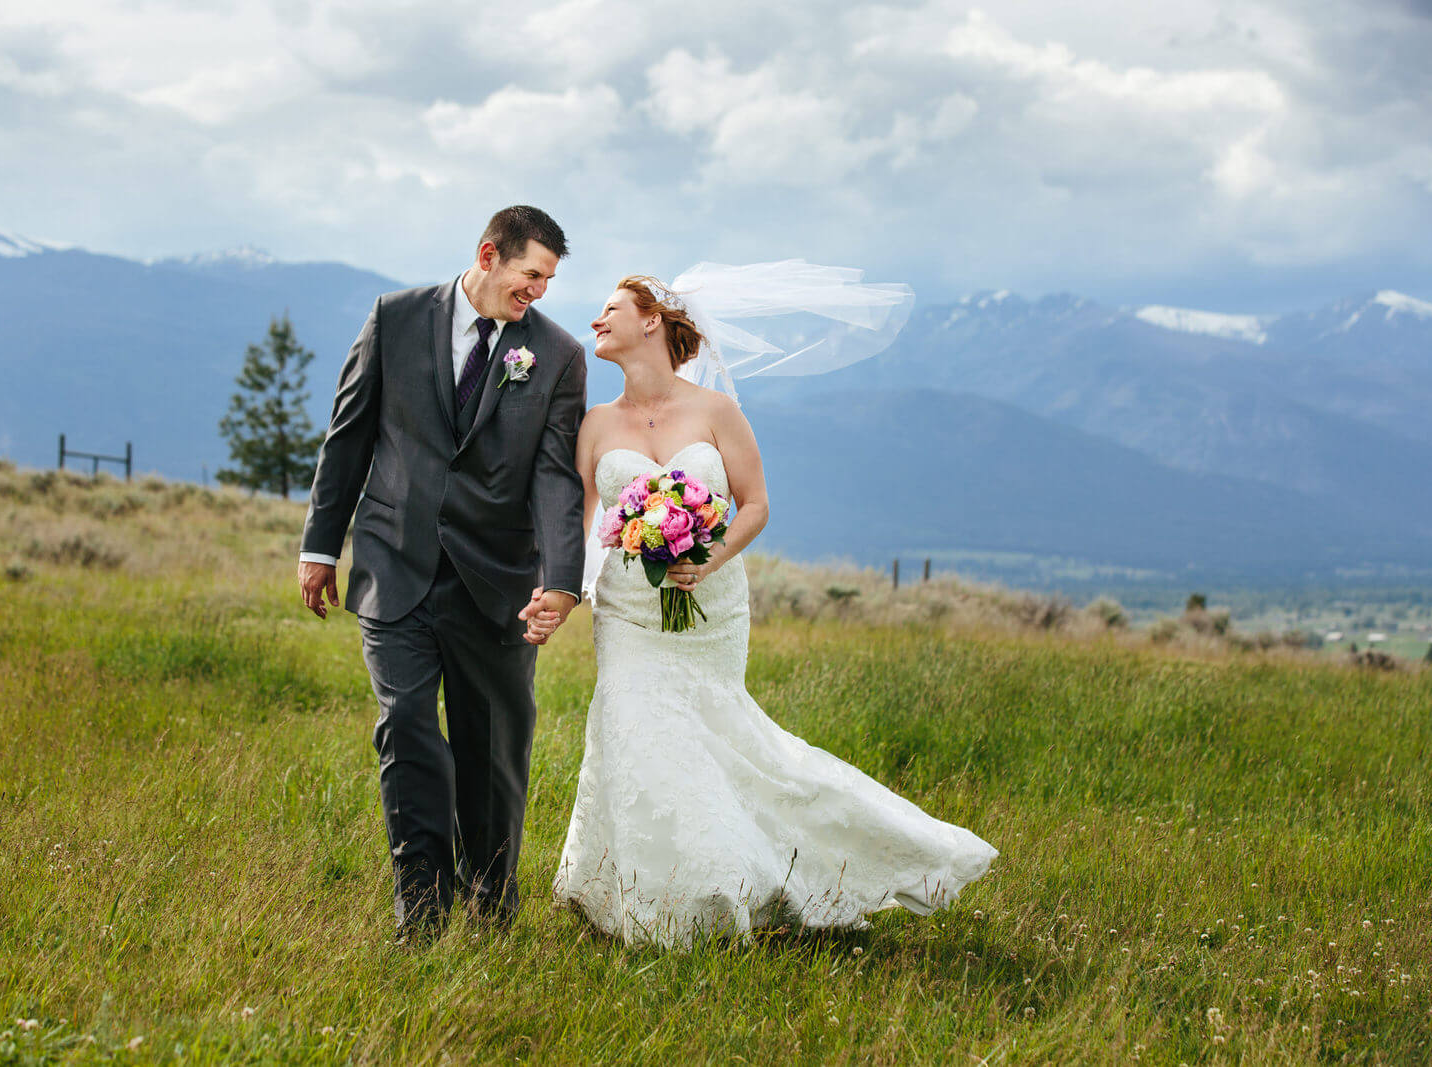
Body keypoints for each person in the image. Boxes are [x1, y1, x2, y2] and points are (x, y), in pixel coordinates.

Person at [535, 273, 997, 948]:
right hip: (630, 612)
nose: (595, 320)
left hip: (711, 605)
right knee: (636, 730)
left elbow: (754, 504)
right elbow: (575, 524)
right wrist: (557, 595)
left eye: (610, 310)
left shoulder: (717, 411)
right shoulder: (597, 424)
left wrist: (706, 557)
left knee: (722, 739)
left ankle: (777, 872)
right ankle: (656, 895)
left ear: (653, 321)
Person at [298, 206, 587, 936]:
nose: (539, 292)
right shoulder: (394, 319)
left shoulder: (556, 355)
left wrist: (561, 578)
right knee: (405, 726)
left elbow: (556, 476)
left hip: (496, 582)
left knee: (492, 751)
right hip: (395, 565)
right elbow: (349, 435)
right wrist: (319, 546)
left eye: (549, 280)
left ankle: (490, 897)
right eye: (531, 275)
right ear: (489, 255)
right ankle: (419, 905)